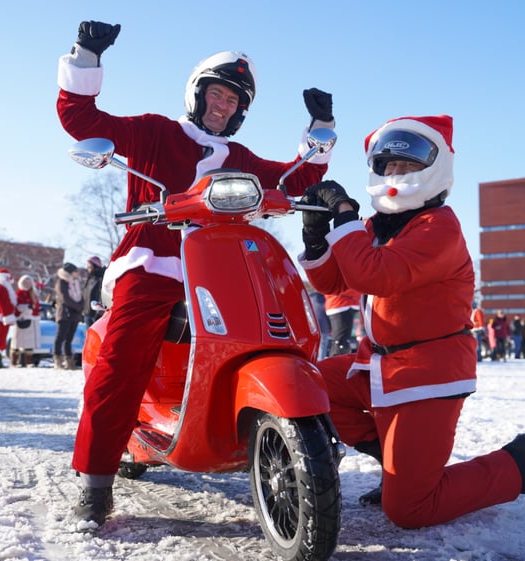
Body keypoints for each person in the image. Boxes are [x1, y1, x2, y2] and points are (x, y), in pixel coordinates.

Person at [57, 21, 334, 526]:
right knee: (122, 359)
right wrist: (87, 56)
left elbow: (300, 176)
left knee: (274, 326)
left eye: (234, 101)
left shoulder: (242, 159)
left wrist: (319, 132)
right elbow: (81, 120)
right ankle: (95, 482)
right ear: (197, 92)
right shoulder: (155, 132)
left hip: (223, 267)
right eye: (217, 93)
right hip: (155, 262)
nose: (223, 105)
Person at [299, 115, 525, 528]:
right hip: (380, 365)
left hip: (426, 373)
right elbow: (334, 279)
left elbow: (375, 276)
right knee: (307, 382)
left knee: (409, 509)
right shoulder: (378, 225)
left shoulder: (440, 225)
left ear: (434, 169)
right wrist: (315, 234)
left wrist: (345, 215)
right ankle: (398, 465)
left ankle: (519, 465)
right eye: (389, 166)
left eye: (408, 166)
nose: (396, 174)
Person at [53, 263, 84, 370]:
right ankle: (57, 360)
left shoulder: (75, 282)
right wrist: (77, 307)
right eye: (75, 271)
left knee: (69, 339)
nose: (77, 273)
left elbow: (80, 296)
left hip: (74, 314)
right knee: (60, 338)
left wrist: (81, 306)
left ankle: (69, 362)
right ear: (70, 272)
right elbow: (64, 298)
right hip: (65, 314)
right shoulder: (61, 282)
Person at [12, 275, 42, 368]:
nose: (28, 284)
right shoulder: (19, 294)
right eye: (25, 282)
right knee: (18, 342)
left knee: (30, 342)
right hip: (22, 320)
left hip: (32, 320)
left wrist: (39, 311)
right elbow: (16, 306)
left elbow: (36, 305)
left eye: (29, 282)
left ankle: (29, 361)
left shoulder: (33, 294)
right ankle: (14, 361)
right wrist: (26, 308)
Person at [324, 288, 361, 357]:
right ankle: (336, 364)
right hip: (341, 303)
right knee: (341, 342)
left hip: (347, 302)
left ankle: (337, 362)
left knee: (342, 340)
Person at [82, 256, 106, 328]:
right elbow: (86, 295)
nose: (87, 267)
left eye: (89, 265)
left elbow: (103, 295)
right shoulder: (90, 278)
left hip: (97, 314)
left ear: (94, 265)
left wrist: (100, 311)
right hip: (87, 313)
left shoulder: (101, 277)